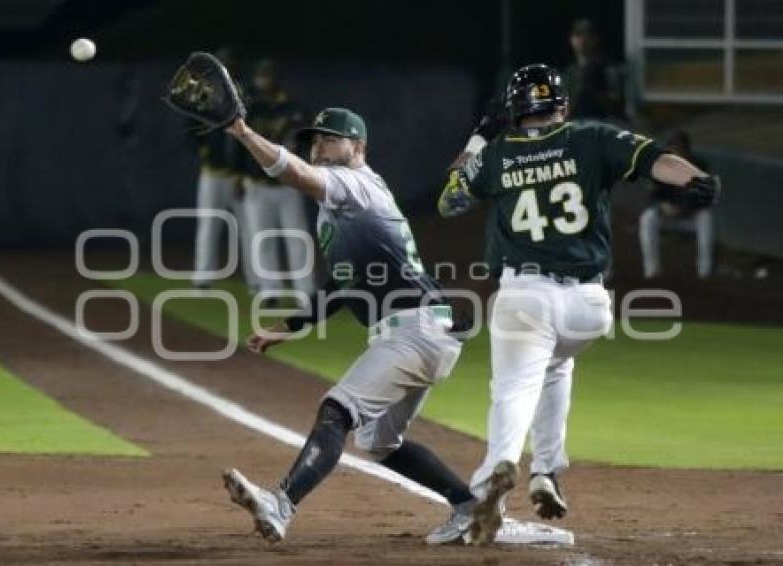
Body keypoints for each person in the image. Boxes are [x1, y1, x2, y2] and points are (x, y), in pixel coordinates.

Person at [436, 64, 717, 545]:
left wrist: (481, 138)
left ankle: (494, 481)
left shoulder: (500, 154)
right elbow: (657, 161)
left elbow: (451, 200)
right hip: (589, 306)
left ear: (515, 110)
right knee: (554, 366)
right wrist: (697, 178)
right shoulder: (592, 138)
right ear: (561, 106)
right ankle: (546, 471)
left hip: (527, 296)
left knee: (512, 390)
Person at [221, 106, 480, 544]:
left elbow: (295, 173)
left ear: (357, 146)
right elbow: (345, 285)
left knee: (336, 411)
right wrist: (289, 325)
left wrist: (243, 133)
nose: (317, 146)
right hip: (421, 330)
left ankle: (280, 504)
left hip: (412, 332)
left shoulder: (353, 185)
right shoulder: (341, 205)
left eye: (328, 139)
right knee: (380, 443)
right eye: (315, 139)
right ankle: (470, 508)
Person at [240, 59, 316, 299]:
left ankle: (306, 290)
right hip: (258, 183)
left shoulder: (292, 108)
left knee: (298, 238)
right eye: (261, 75)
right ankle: (269, 291)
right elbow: (240, 146)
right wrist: (239, 175)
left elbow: (308, 138)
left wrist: (297, 144)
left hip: (287, 184)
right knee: (262, 239)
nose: (265, 79)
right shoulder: (249, 110)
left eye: (268, 74)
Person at [191, 48, 258, 291]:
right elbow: (190, 128)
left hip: (240, 176)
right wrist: (201, 149)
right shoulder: (204, 95)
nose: (226, 67)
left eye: (229, 64)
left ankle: (256, 281)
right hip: (213, 173)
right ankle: (203, 278)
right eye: (223, 63)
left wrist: (245, 170)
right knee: (209, 225)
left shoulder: (246, 95)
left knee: (251, 230)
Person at [639, 130, 716, 279]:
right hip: (667, 217)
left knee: (706, 218)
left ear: (688, 150)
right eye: (675, 148)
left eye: (681, 148)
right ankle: (652, 269)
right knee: (648, 218)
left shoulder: (699, 167)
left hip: (690, 217)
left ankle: (704, 271)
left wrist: (689, 208)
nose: (678, 152)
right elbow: (653, 196)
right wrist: (663, 206)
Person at [563, 19, 624, 122]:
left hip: (601, 125)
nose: (582, 40)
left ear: (596, 39)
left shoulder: (607, 68)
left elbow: (617, 105)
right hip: (576, 126)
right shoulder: (570, 72)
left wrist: (596, 90)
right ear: (571, 40)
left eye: (587, 35)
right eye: (577, 35)